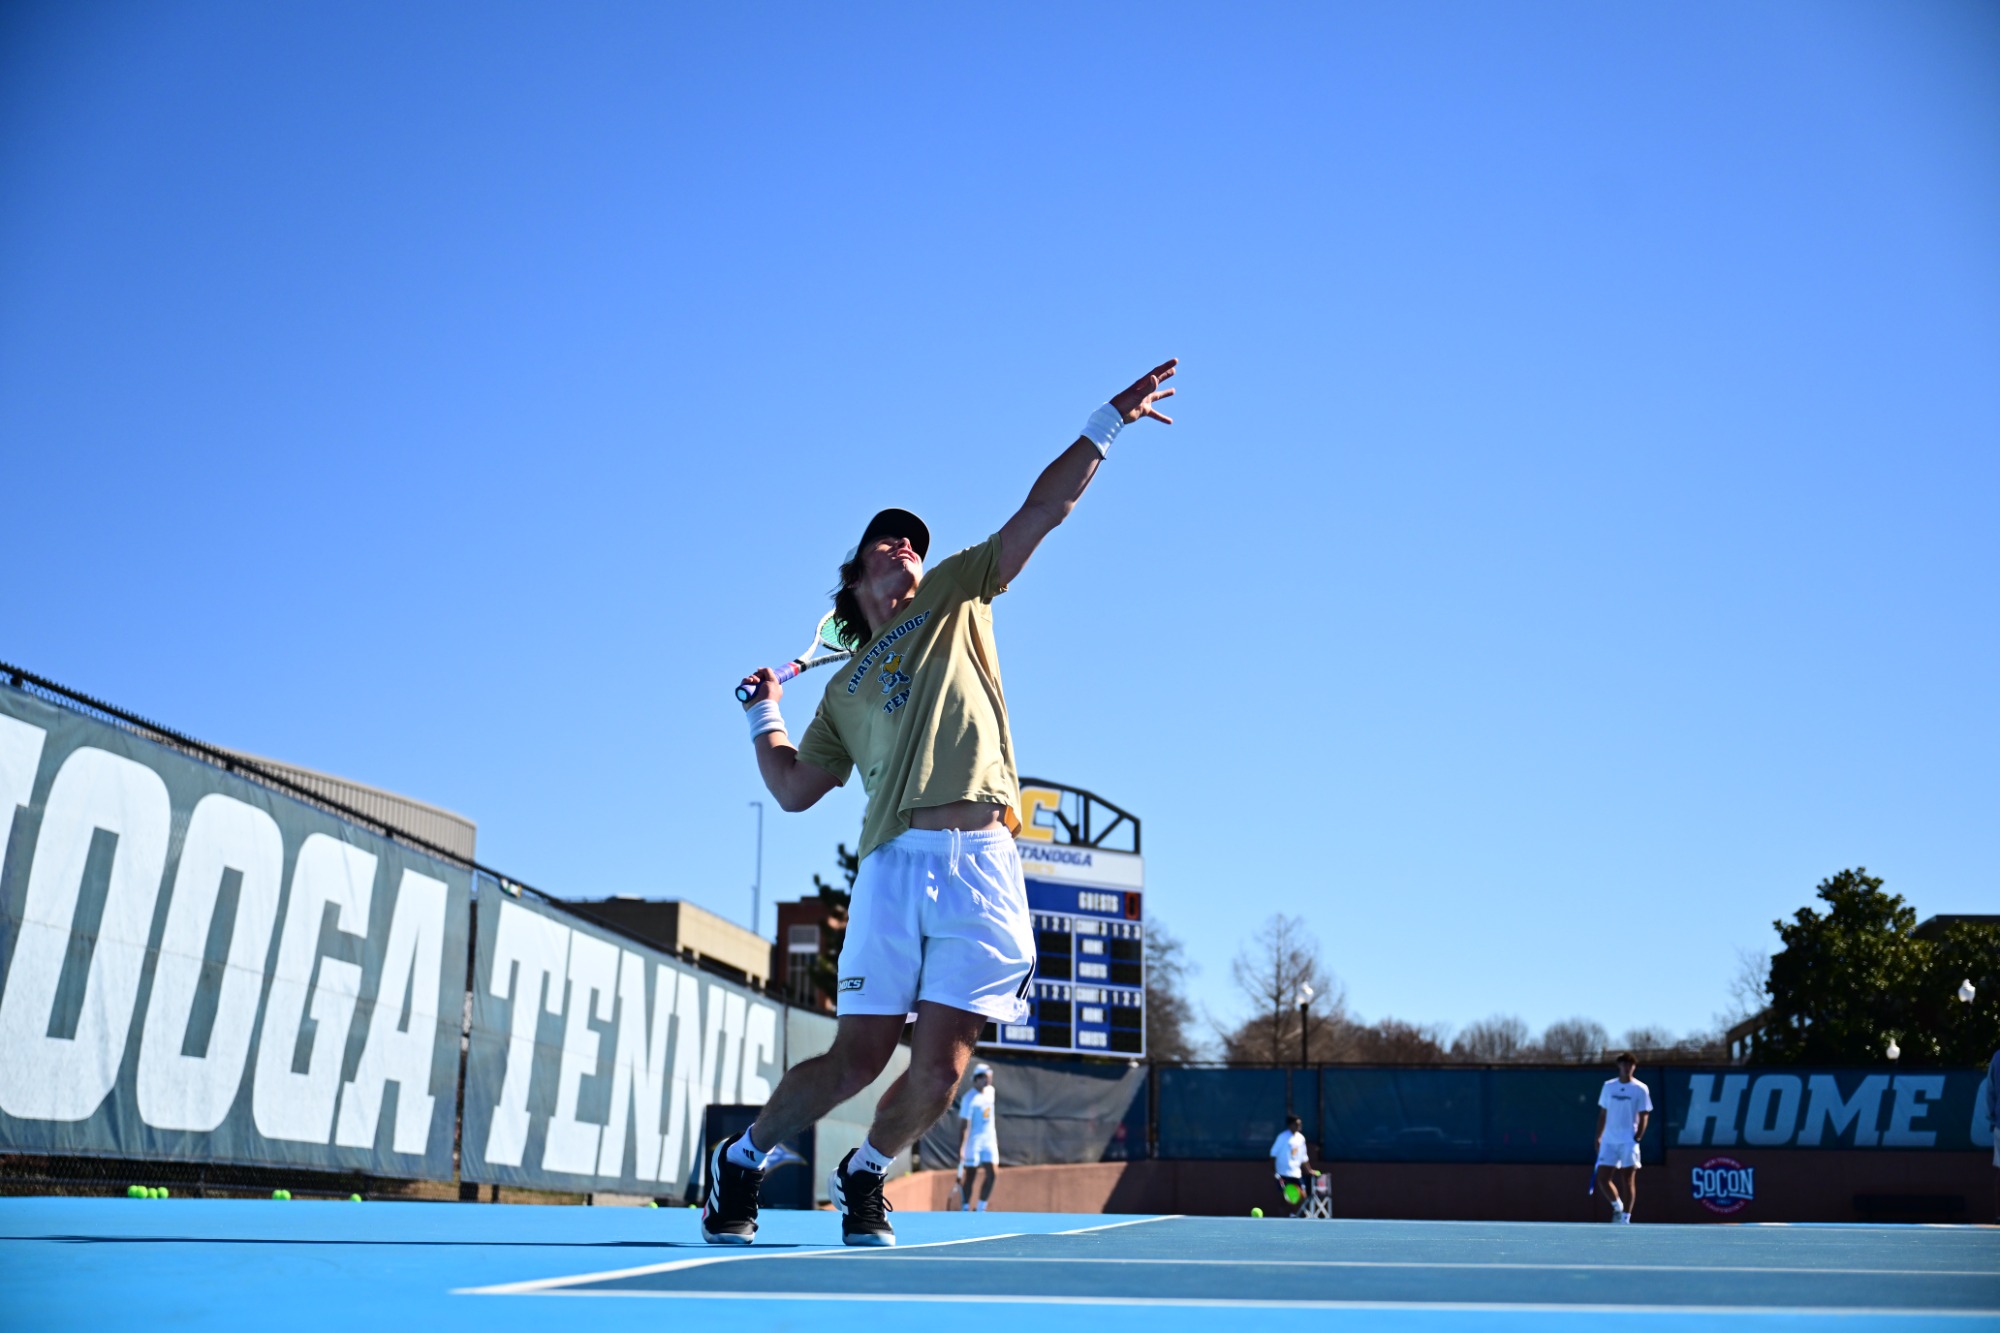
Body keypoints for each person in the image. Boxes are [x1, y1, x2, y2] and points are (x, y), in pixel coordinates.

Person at [707, 360, 1179, 1248]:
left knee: (944, 1068)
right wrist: (764, 711)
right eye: (889, 543)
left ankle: (866, 1174)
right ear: (855, 580)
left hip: (986, 863)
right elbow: (794, 789)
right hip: (894, 865)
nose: (907, 550)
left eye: (914, 543)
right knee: (859, 1056)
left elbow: (1042, 510)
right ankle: (744, 1156)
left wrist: (1105, 426)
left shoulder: (961, 590)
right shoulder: (840, 692)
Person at [1594, 1052, 1653, 1224]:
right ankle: (1618, 1207)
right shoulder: (1608, 1087)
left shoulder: (1641, 1089)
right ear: (1619, 1066)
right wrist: (1598, 1136)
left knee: (1627, 1179)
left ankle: (1626, 1218)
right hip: (1609, 1141)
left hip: (1629, 1141)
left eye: (1630, 1065)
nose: (1627, 1067)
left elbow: (1644, 1115)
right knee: (1603, 1178)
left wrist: (1637, 1137)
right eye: (1624, 1064)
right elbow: (1603, 1113)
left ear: (1633, 1067)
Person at [957, 1063, 999, 1211]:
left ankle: (981, 1207)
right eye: (986, 1078)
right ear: (977, 1078)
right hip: (973, 1142)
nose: (988, 1081)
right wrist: (962, 1148)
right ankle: (965, 1207)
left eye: (989, 1077)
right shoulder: (968, 1099)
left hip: (990, 1140)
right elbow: (964, 1126)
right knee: (971, 1176)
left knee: (993, 1174)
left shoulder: (991, 1092)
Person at [1270, 1114, 1312, 1217]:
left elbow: (1304, 1158)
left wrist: (1309, 1170)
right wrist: (1274, 1171)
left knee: (1303, 1196)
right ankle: (1282, 1220)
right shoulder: (1282, 1137)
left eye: (1300, 1124)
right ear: (1290, 1125)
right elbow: (1273, 1154)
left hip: (1296, 1173)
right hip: (1283, 1173)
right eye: (1297, 1124)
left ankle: (1295, 1215)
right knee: (1284, 1198)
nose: (1299, 1126)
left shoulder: (1301, 1138)